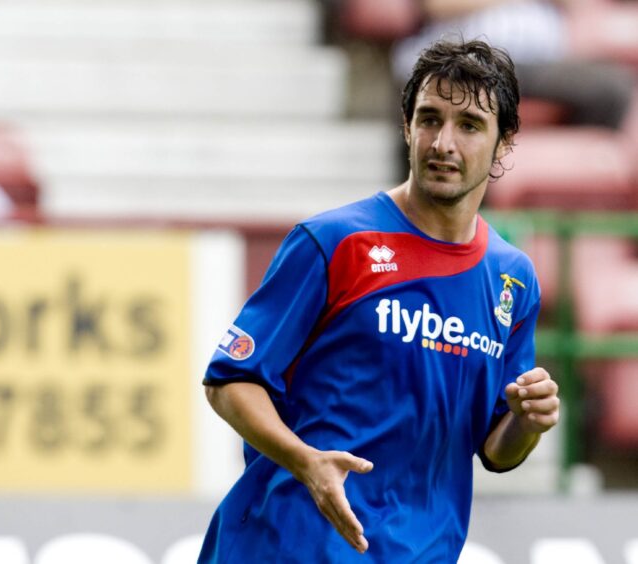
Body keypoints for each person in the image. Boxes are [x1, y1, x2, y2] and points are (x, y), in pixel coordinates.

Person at [200, 39, 560, 563]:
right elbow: (230, 381)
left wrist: (528, 421)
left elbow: (494, 449)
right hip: (290, 543)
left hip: (420, 552)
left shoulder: (513, 279)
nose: (443, 143)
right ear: (407, 126)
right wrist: (305, 461)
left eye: (469, 125)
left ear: (505, 144)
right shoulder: (335, 242)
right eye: (429, 118)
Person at [392, 0, 635, 130]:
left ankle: (574, 195)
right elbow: (437, 5)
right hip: (473, 55)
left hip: (545, 60)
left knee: (612, 86)